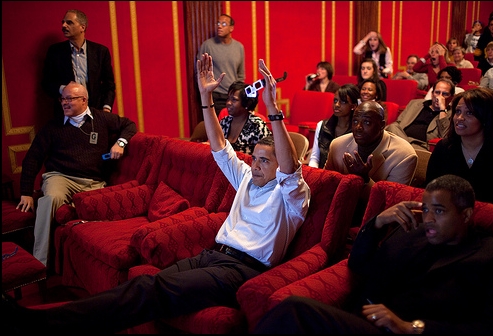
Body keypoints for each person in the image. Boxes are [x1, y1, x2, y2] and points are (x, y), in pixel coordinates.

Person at [3, 55, 310, 334]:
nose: (255, 165)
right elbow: (220, 146)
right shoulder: (246, 175)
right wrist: (205, 96)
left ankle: (43, 324)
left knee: (151, 289)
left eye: (265, 161)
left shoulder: (291, 195)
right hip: (214, 255)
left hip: (243, 269)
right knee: (143, 282)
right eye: (254, 157)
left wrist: (272, 110)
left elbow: (289, 167)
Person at [252, 174, 493, 334]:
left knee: (296, 309)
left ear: (466, 215)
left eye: (438, 211)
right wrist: (378, 223)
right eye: (425, 210)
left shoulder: (491, 254)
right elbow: (359, 265)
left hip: (407, 330)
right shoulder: (411, 232)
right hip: (366, 322)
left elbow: (489, 326)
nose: (428, 219)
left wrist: (411, 327)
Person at [16, 82, 137, 266]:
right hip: (61, 177)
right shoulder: (53, 126)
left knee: (98, 211)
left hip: (94, 182)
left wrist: (120, 143)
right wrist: (26, 192)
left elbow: (129, 125)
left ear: (83, 100)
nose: (64, 103)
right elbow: (32, 158)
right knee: (50, 199)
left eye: (69, 99)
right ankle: (40, 263)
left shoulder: (102, 119)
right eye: (63, 99)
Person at [426, 88, 493, 205]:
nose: (459, 118)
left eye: (469, 113)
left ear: (486, 117)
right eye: (457, 111)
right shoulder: (444, 148)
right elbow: (430, 191)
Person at [324, 101, 417, 197]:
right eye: (355, 121)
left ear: (382, 125)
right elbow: (325, 186)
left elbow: (389, 201)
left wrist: (364, 179)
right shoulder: (337, 145)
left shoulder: (404, 156)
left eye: (367, 122)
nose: (358, 127)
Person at [42, 9, 116, 118]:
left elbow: (109, 84)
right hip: (66, 114)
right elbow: (46, 83)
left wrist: (106, 108)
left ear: (82, 27)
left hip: (95, 112)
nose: (64, 25)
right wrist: (65, 90)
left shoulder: (100, 51)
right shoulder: (55, 52)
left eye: (69, 22)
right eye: (63, 22)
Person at [386, 79, 455, 150]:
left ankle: (404, 148)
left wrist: (442, 109)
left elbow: (445, 137)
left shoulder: (451, 114)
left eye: (445, 94)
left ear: (451, 98)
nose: (439, 97)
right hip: (401, 138)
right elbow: (398, 123)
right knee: (393, 127)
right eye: (437, 92)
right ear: (432, 94)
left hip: (421, 146)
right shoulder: (415, 103)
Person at [198, 14, 245, 116]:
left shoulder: (239, 47)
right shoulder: (208, 45)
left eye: (224, 24)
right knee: (218, 128)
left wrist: (238, 95)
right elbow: (199, 72)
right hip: (214, 95)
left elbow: (241, 75)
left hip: (232, 95)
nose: (219, 26)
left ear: (231, 28)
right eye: (218, 23)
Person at [308, 84, 360, 168]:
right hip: (322, 174)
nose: (337, 105)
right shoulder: (322, 125)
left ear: (353, 106)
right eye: (335, 101)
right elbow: (315, 159)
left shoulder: (358, 130)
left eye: (343, 102)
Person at [218, 81, 272, 154]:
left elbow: (269, 153)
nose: (228, 103)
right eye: (228, 99)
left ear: (246, 103)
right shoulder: (224, 122)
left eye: (234, 100)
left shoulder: (257, 125)